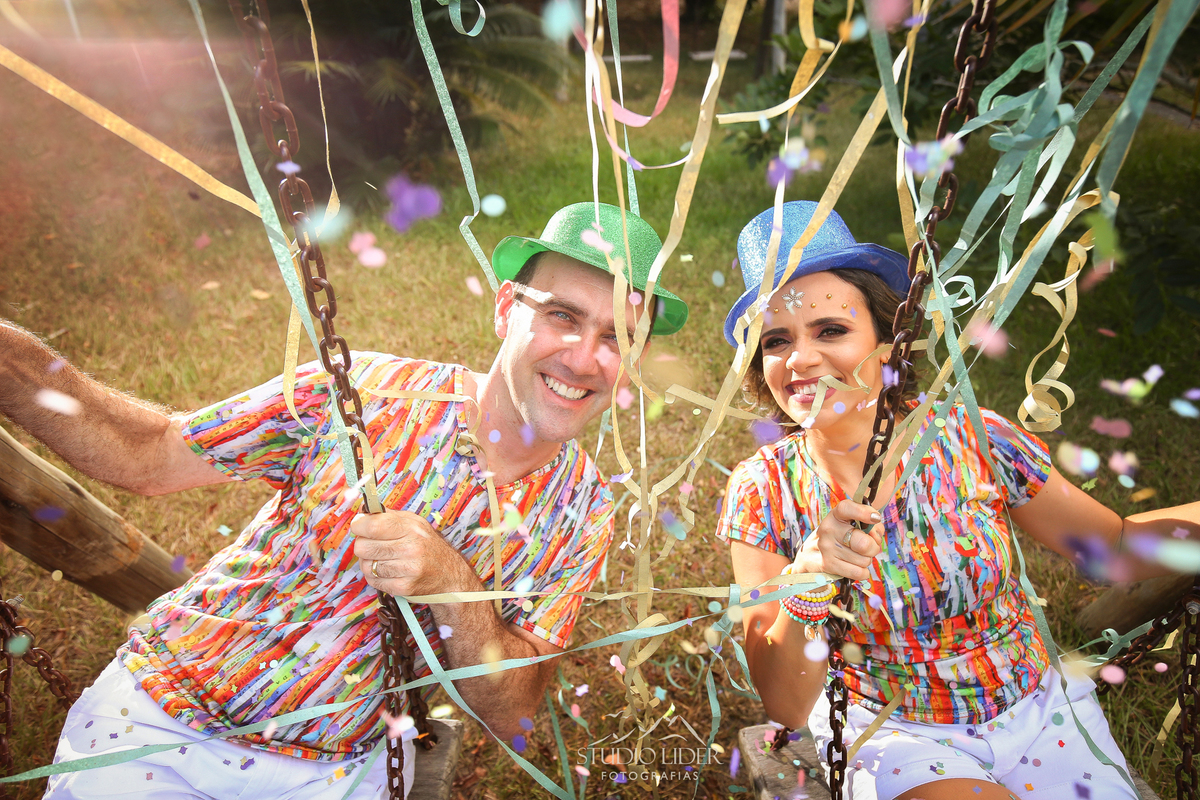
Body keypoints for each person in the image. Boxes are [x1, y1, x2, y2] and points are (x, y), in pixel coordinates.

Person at [0, 201, 688, 799]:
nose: (583, 356)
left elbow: (515, 719)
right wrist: (14, 365)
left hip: (339, 775)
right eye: (562, 315)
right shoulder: (370, 393)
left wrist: (452, 588)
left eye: (617, 337)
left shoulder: (584, 510)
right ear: (506, 307)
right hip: (166, 719)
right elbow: (147, 454)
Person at [716, 201, 1199, 800]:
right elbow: (785, 705)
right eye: (775, 341)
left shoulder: (971, 435)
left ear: (889, 341)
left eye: (831, 330)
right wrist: (808, 581)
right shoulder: (761, 490)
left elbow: (1113, 547)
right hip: (895, 734)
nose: (801, 359)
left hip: (1037, 706)